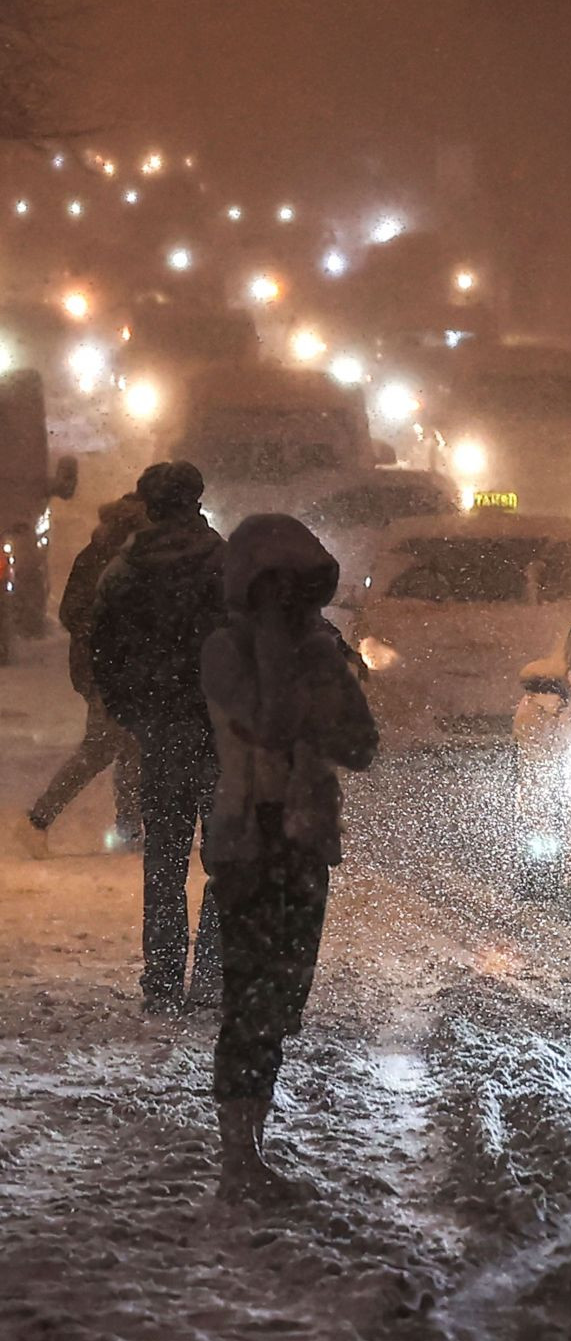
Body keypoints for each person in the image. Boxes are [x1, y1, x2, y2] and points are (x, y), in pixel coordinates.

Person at [202, 514, 377, 1202]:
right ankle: (238, 1157)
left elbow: (361, 744)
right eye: (270, 586)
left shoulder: (322, 651)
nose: (282, 601)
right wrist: (286, 654)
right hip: (248, 839)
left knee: (281, 999)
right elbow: (268, 724)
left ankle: (252, 1148)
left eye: (291, 587)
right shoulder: (226, 650)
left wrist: (321, 677)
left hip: (302, 838)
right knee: (249, 995)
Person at [91, 461, 226, 1014]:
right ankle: (213, 976)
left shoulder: (124, 572)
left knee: (165, 858)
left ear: (148, 507)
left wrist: (133, 712)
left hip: (163, 728)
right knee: (226, 859)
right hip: (221, 729)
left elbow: (103, 649)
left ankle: (164, 979)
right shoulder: (226, 564)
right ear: (197, 501)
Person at [21, 493, 147, 856]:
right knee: (103, 748)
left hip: (110, 667)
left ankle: (129, 829)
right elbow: (75, 613)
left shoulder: (98, 553)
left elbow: (71, 612)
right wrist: (113, 636)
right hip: (113, 669)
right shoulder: (121, 558)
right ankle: (39, 818)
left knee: (131, 747)